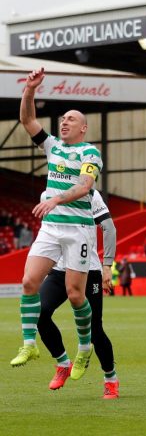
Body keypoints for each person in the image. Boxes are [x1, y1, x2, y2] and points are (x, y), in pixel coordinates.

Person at [10, 68, 103, 384]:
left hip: (77, 230)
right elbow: (27, 120)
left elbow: (84, 186)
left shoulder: (89, 152)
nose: (64, 122)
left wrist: (55, 199)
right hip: (51, 228)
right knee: (28, 282)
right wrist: (29, 90)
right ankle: (29, 345)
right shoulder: (52, 146)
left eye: (71, 119)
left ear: (83, 128)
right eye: (62, 119)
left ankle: (85, 348)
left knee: (76, 295)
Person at [37, 190, 119, 398]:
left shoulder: (91, 194)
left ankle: (110, 379)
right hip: (60, 269)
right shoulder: (47, 194)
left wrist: (107, 265)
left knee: (95, 330)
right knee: (39, 312)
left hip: (88, 270)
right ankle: (63, 363)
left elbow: (108, 227)